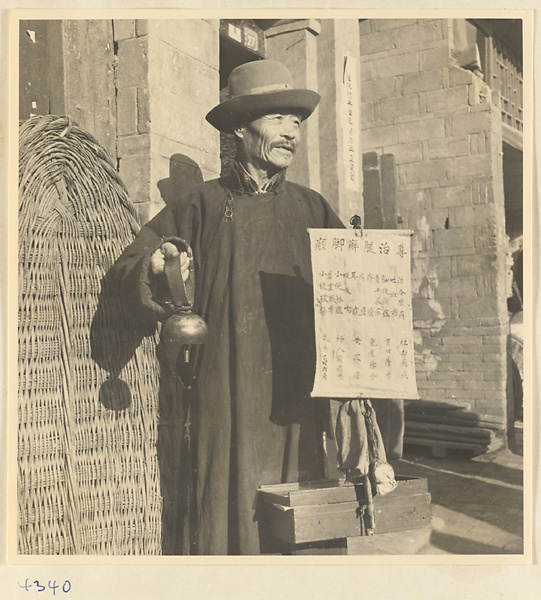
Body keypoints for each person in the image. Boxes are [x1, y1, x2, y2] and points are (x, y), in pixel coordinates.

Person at [112, 59, 344, 555]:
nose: (292, 133)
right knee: (226, 509)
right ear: (240, 127)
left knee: (302, 516)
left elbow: (354, 290)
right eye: (278, 119)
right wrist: (156, 264)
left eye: (297, 122)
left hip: (297, 398)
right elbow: (132, 260)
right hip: (224, 391)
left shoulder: (314, 208)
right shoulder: (201, 205)